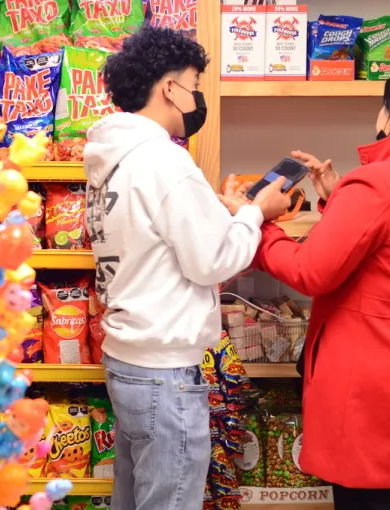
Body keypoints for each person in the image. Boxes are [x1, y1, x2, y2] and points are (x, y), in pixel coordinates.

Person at [220, 60, 390, 510]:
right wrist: (338, 196)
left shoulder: (380, 185)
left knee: (377, 493)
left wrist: (259, 223)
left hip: (381, 384)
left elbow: (310, 270)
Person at [83, 25, 291, 510]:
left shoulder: (113, 158)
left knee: (134, 499)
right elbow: (213, 261)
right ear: (170, 88)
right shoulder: (165, 162)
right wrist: (257, 213)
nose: (197, 98)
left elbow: (152, 237)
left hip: (126, 359)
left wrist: (219, 209)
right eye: (195, 85)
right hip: (166, 374)